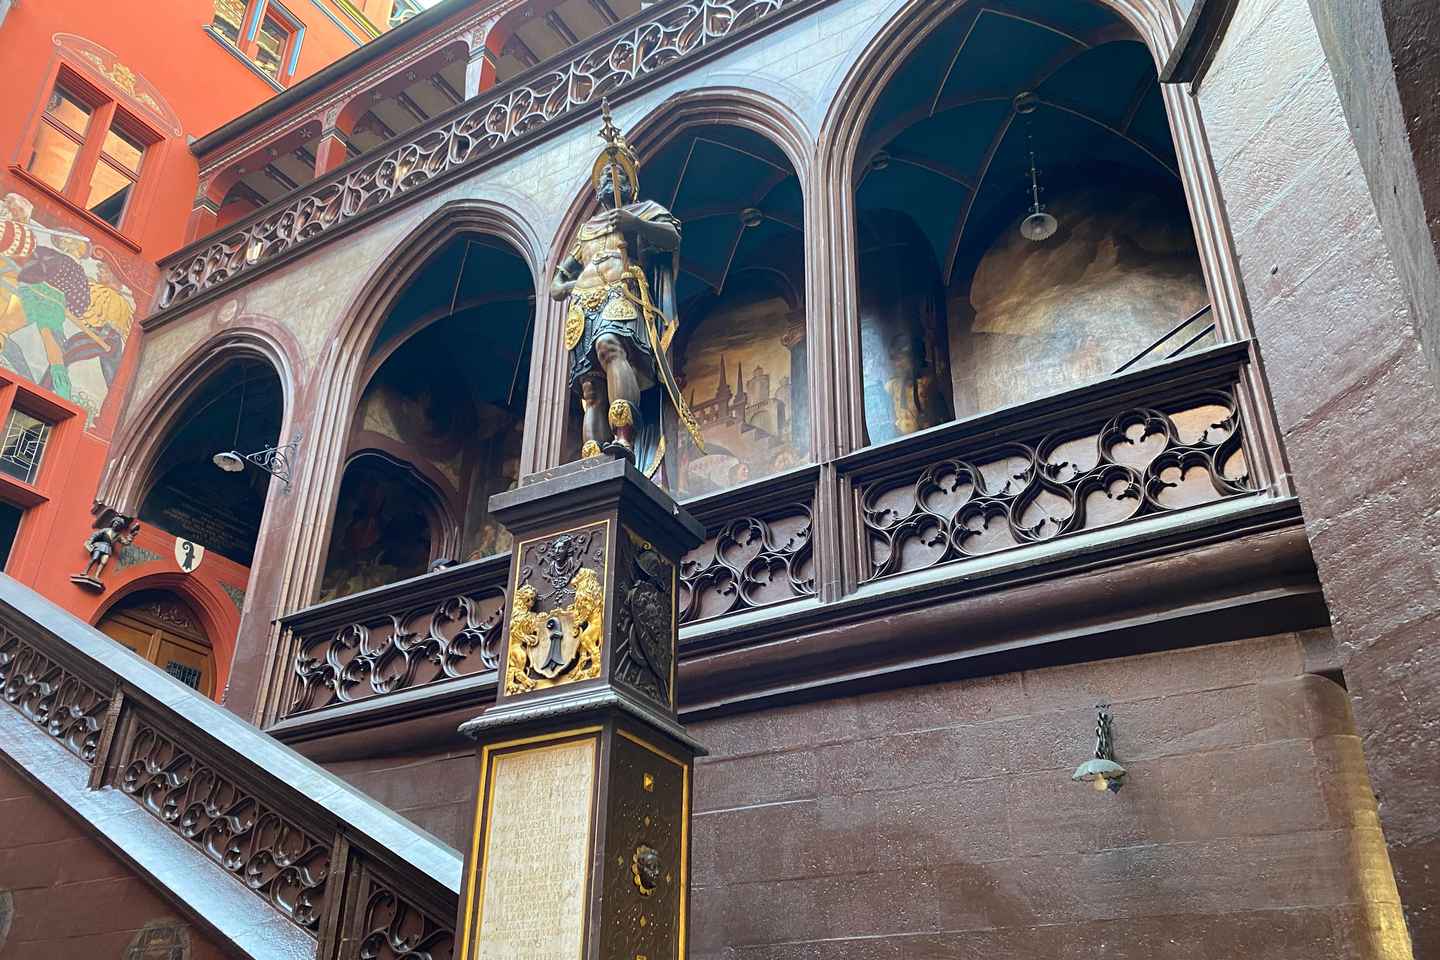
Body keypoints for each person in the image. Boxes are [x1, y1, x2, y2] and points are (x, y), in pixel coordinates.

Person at [549, 100, 703, 478]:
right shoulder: (586, 230)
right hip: (583, 304)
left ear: (628, 186)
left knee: (610, 346)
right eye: (604, 176)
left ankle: (624, 437)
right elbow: (556, 284)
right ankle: (592, 458)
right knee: (589, 387)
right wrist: (572, 283)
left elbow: (672, 237)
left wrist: (635, 225)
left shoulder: (642, 210)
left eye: (616, 175)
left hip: (621, 293)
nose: (608, 180)